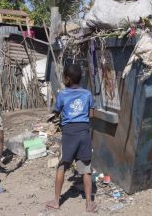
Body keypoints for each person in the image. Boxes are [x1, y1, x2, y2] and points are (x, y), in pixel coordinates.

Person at [46, 64, 97, 212]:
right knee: (86, 169)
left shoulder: (62, 94)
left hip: (69, 133)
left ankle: (56, 201)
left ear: (67, 79)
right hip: (84, 132)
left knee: (62, 166)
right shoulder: (87, 94)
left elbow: (56, 111)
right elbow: (92, 115)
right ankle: (89, 204)